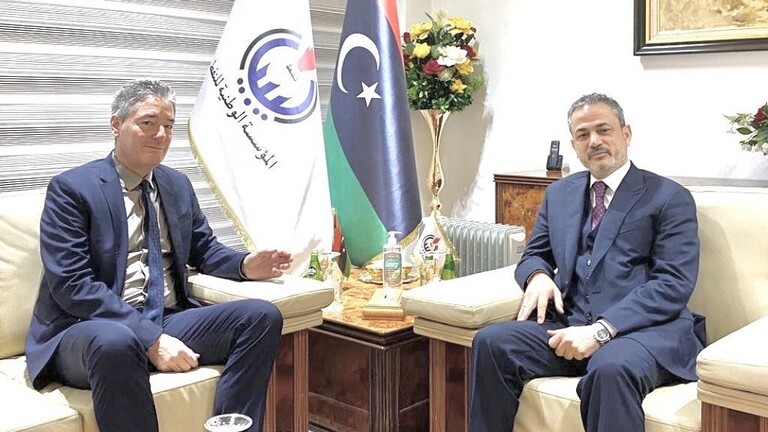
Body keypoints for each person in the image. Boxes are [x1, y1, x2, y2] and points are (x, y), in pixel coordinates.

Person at [25, 79, 293, 432]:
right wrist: (150, 339)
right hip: (87, 330)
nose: (161, 135)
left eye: (168, 126)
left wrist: (244, 265)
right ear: (116, 125)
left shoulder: (176, 185)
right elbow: (73, 286)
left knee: (260, 316)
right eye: (148, 123)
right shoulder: (73, 189)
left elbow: (204, 249)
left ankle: (230, 428)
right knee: (117, 340)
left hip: (166, 316)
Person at [468, 93, 704, 432]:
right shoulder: (559, 194)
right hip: (571, 323)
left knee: (610, 369)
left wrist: (601, 331)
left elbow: (673, 283)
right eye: (583, 134)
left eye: (603, 130)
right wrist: (537, 276)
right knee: (492, 342)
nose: (594, 141)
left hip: (642, 333)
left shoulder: (668, 196)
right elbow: (535, 254)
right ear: (574, 145)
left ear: (626, 134)